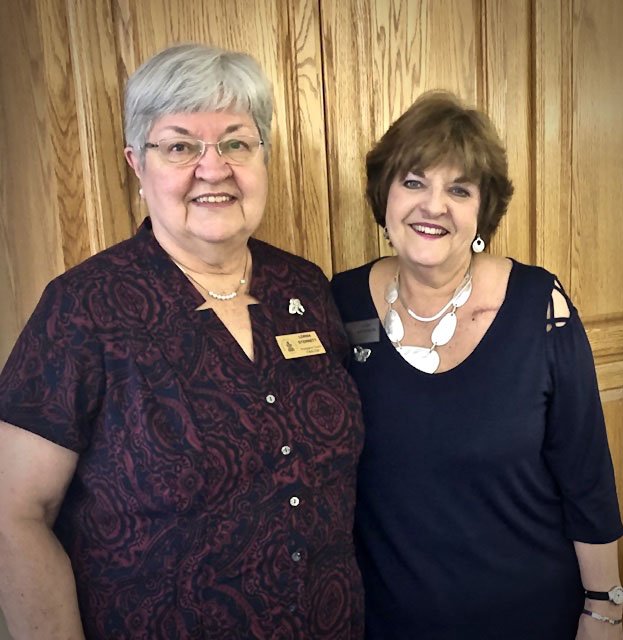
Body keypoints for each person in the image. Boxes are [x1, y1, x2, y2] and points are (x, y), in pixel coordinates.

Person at [0, 43, 365, 639]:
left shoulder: (304, 287)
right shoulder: (84, 308)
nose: (213, 167)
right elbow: (13, 514)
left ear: (262, 156)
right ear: (136, 165)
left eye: (236, 142)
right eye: (179, 146)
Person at [331, 91, 623, 639]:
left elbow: (587, 479)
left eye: (458, 189)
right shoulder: (339, 303)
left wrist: (604, 609)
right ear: (384, 196)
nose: (432, 205)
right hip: (387, 622)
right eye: (414, 181)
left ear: (482, 209)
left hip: (530, 616)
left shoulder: (542, 306)